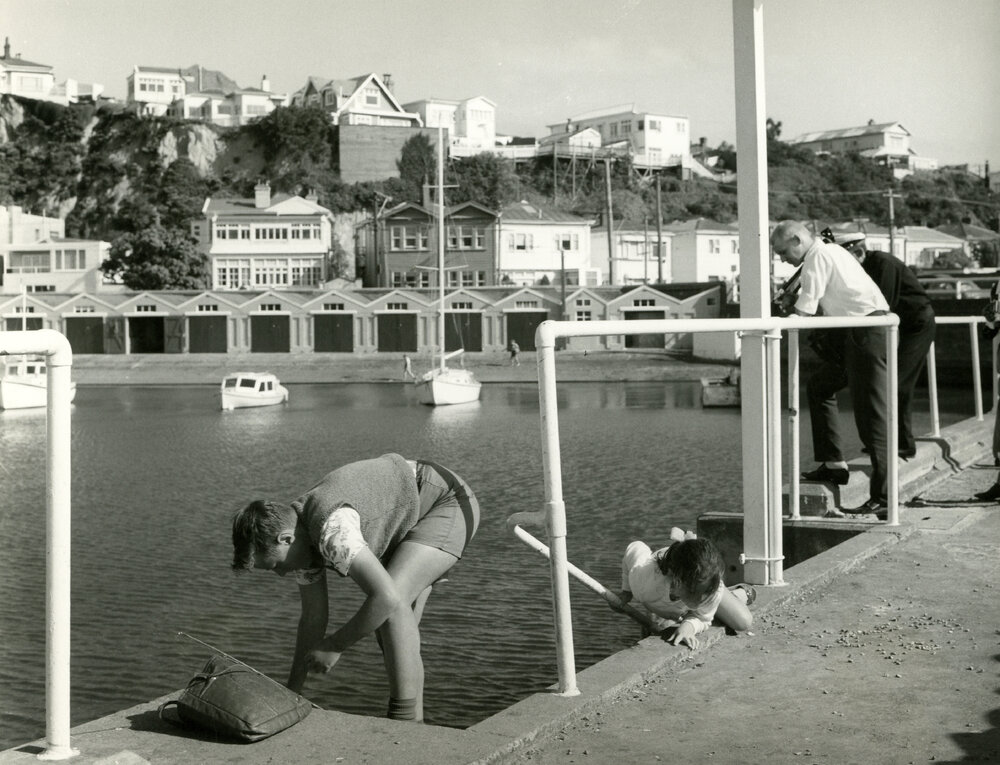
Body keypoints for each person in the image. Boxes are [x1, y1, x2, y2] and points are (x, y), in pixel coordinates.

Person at [231, 453, 480, 722]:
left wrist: (336, 645)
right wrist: (292, 692)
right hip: (408, 512)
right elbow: (313, 619)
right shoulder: (301, 544)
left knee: (391, 610)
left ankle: (404, 723)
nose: (280, 574)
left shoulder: (332, 530)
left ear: (285, 539)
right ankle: (414, 724)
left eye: (274, 566)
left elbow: (386, 598)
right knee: (393, 634)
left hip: (446, 500)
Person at [771, 220, 892, 518]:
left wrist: (772, 326)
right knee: (820, 386)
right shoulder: (828, 252)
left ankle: (885, 498)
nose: (781, 259)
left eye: (782, 251)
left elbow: (804, 312)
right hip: (860, 331)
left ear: (798, 240)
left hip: (867, 331)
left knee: (871, 415)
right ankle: (834, 465)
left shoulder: (818, 257)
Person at [802, 230, 936, 486]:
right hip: (876, 331)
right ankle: (835, 461)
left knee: (895, 386)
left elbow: (884, 304)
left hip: (913, 325)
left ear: (859, 253)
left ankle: (902, 446)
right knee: (821, 386)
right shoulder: (856, 269)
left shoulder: (883, 264)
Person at [613, 528, 755, 649]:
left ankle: (739, 593)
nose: (701, 600)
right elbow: (636, 547)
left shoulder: (711, 586)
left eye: (707, 595)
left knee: (743, 622)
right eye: (695, 594)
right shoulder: (643, 582)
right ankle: (718, 605)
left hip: (704, 577)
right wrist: (627, 591)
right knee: (666, 625)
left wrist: (688, 627)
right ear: (676, 581)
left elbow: (703, 618)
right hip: (674, 577)